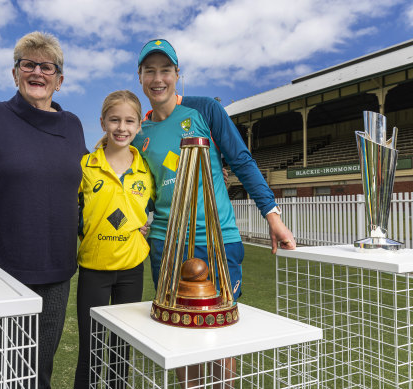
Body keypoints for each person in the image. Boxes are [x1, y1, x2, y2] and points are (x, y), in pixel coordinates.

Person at [133, 38, 296, 388]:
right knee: (179, 331)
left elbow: (241, 160)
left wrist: (273, 216)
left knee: (220, 336)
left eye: (165, 70)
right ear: (140, 77)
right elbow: (141, 190)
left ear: (178, 74)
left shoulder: (204, 109)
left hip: (219, 240)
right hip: (167, 243)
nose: (158, 78)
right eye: (150, 71)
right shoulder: (139, 133)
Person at [0, 31, 87, 389]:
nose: (37, 72)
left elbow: (86, 190)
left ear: (59, 79)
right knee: (5, 370)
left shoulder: (72, 126)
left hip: (57, 270)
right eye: (28, 64)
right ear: (15, 73)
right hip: (1, 272)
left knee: (40, 369)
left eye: (47, 66)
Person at [74, 90, 155, 389]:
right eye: (115, 120)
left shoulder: (146, 169)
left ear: (138, 126)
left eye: (129, 121)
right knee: (91, 351)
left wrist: (149, 221)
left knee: (122, 352)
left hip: (132, 270)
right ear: (103, 122)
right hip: (94, 268)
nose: (122, 127)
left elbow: (158, 207)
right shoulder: (85, 165)